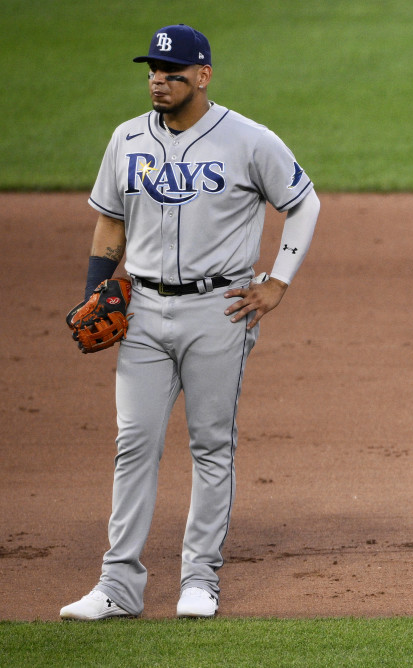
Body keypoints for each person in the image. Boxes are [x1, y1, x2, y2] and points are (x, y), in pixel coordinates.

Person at [60, 24, 320, 620]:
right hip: (144, 310)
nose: (158, 79)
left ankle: (199, 579)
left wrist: (277, 281)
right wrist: (95, 291)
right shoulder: (126, 139)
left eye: (172, 72)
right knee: (134, 444)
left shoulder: (248, 140)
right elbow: (109, 224)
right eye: (153, 69)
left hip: (220, 309)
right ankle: (118, 586)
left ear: (202, 76)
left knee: (210, 446)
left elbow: (303, 202)